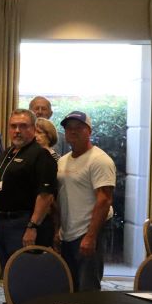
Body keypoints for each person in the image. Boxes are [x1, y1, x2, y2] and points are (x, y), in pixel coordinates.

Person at [0, 109, 58, 273]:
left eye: (23, 126)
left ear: (33, 129)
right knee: (8, 273)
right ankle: (11, 300)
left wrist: (32, 227)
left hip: (23, 223)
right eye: (13, 126)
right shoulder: (8, 152)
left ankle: (24, 300)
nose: (17, 131)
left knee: (25, 273)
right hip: (2, 223)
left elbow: (46, 195)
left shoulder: (41, 155)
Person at [57, 112, 115, 292]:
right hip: (68, 233)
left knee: (88, 288)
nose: (73, 132)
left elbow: (104, 200)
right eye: (69, 128)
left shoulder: (100, 160)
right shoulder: (63, 161)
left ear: (89, 131)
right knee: (70, 286)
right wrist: (58, 230)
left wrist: (90, 237)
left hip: (89, 232)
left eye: (78, 128)